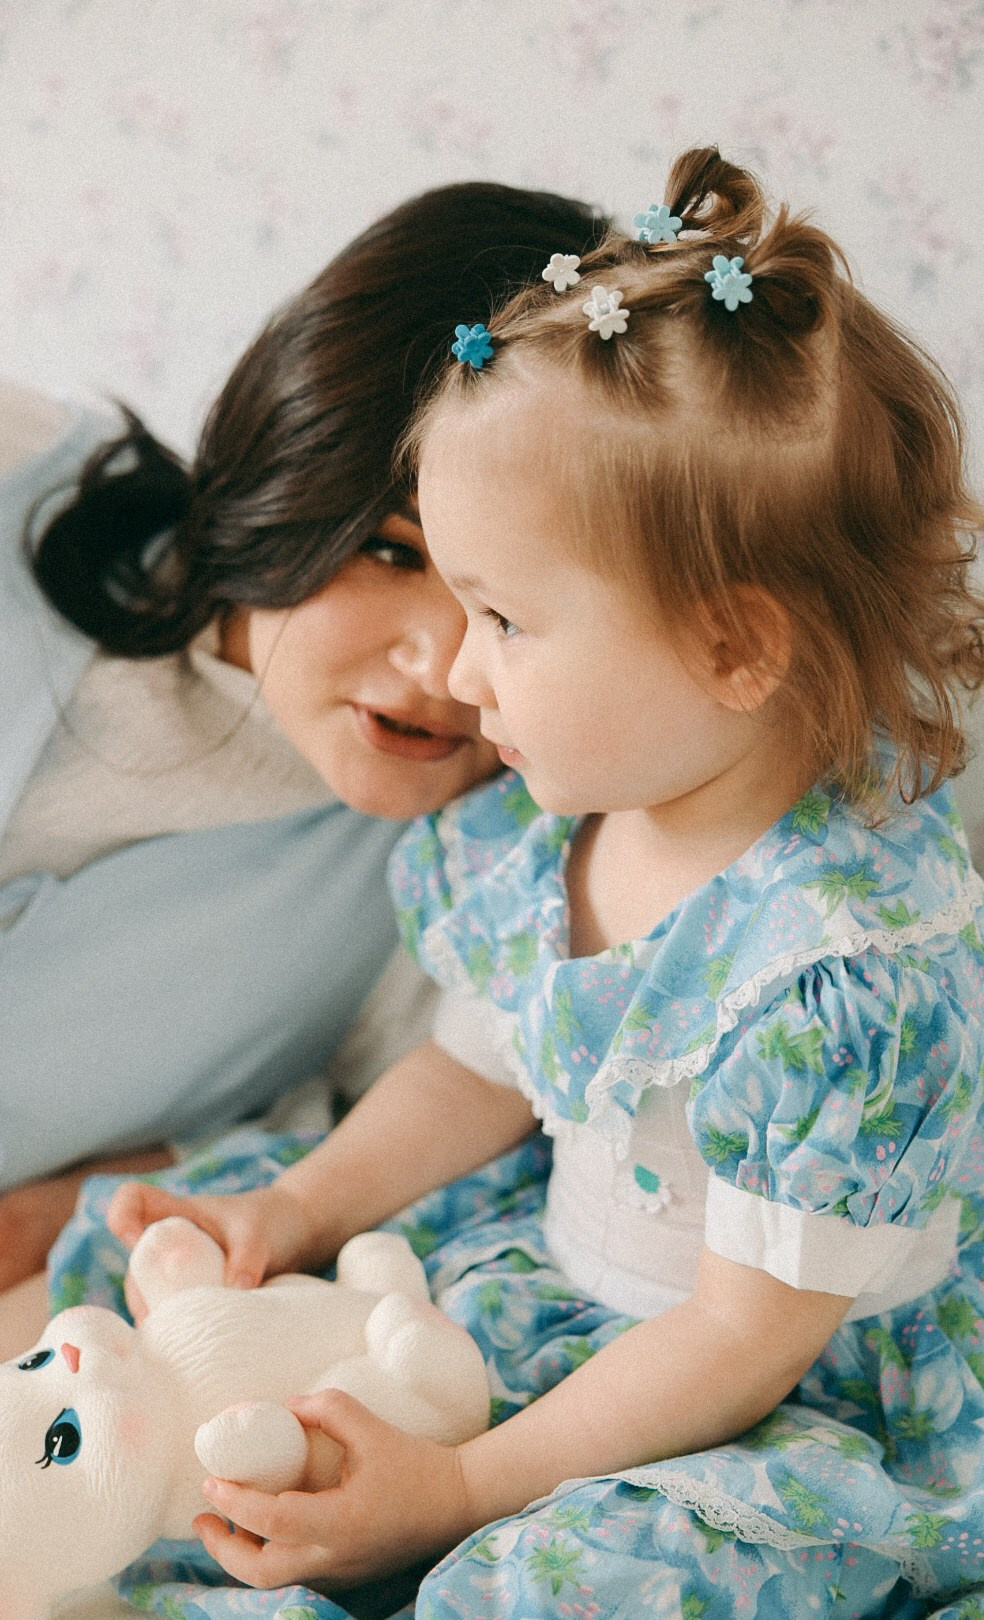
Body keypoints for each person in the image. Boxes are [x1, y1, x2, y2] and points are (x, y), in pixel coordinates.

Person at [48, 146, 984, 1619]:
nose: (459, 669)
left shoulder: (842, 972)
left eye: (501, 616)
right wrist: (295, 1207)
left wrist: (472, 1490)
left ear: (733, 649)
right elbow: (474, 1070)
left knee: (543, 1583)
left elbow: (741, 1340)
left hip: (760, 1400)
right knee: (212, 1386)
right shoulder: (551, 838)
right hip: (560, 1302)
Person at [0, 173, 609, 1372]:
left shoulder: (472, 873)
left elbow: (377, 1133)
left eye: (511, 601)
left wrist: (121, 1188)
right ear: (296, 473)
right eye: (392, 550)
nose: (445, 660)